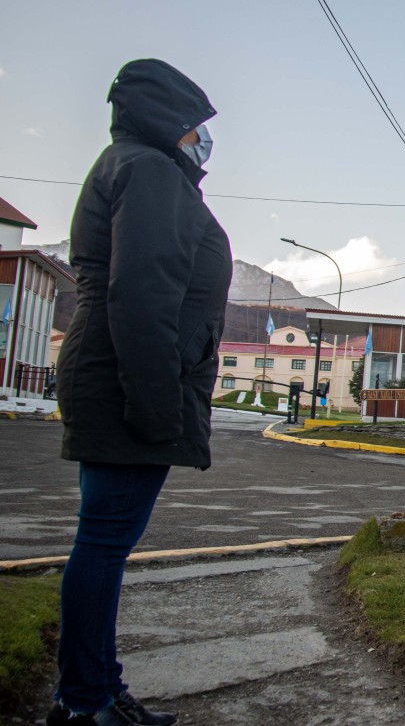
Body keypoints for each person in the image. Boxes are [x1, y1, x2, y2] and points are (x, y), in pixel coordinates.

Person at [49, 59, 232, 726]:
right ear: (170, 119)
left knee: (102, 541)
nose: (202, 139)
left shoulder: (133, 164)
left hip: (114, 375)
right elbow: (143, 292)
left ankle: (90, 690)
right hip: (129, 383)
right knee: (103, 542)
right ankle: (87, 701)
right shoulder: (151, 171)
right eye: (195, 127)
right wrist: (157, 405)